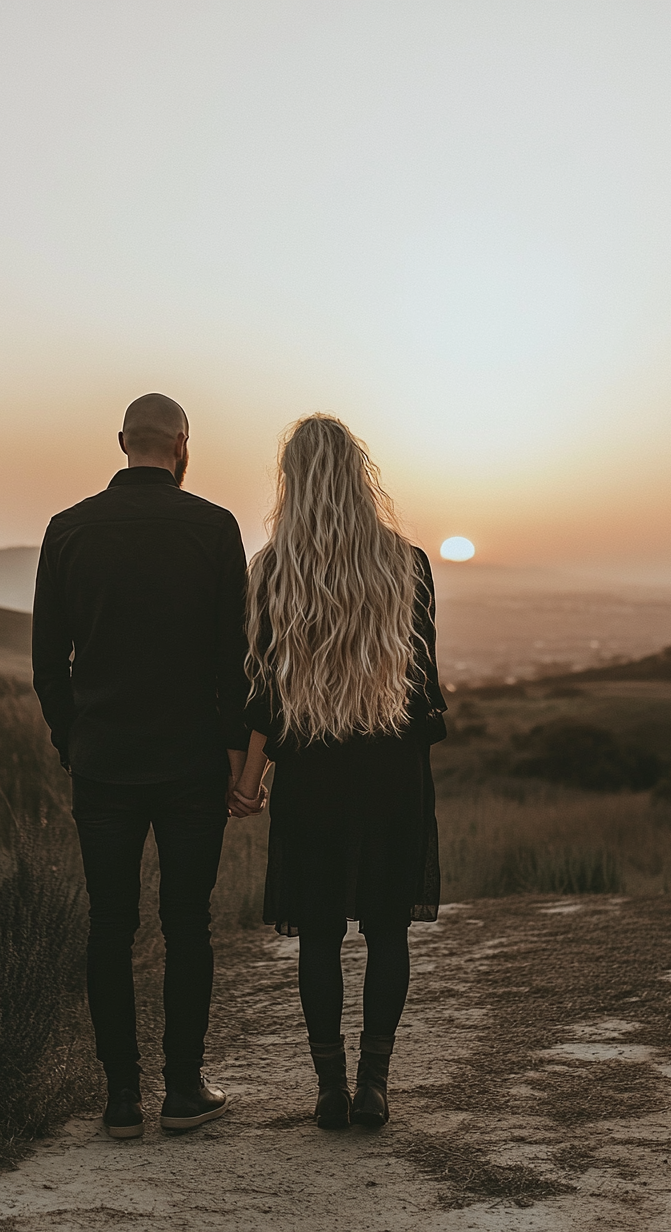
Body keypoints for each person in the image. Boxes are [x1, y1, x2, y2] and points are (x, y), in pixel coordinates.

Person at [32, 392, 260, 1139]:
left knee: (110, 926)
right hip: (193, 759)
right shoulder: (214, 527)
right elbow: (235, 657)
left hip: (104, 763)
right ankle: (184, 1089)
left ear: (123, 440)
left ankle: (121, 1099)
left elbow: (46, 664)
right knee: (187, 923)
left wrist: (75, 742)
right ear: (182, 444)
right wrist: (236, 754)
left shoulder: (67, 530)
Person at [231, 415, 446, 1130]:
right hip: (391, 773)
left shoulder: (271, 571)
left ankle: (328, 1088)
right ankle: (375, 1085)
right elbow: (423, 693)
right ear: (359, 476)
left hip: (313, 777)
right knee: (389, 931)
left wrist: (251, 777)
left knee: (319, 934)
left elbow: (259, 695)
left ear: (293, 479)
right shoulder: (406, 563)